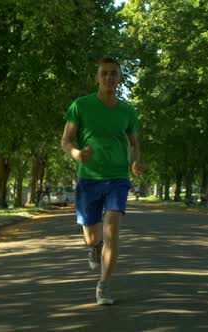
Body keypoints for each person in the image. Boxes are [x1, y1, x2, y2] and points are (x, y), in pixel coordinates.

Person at [61, 56, 144, 305]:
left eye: (114, 74)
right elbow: (66, 140)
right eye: (105, 73)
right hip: (88, 179)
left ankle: (104, 285)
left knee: (111, 231)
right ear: (97, 77)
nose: (109, 77)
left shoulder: (127, 110)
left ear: (119, 78)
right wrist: (76, 153)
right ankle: (93, 247)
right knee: (91, 236)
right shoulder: (81, 106)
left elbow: (134, 144)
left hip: (117, 178)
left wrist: (134, 163)